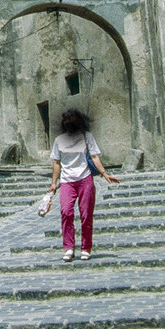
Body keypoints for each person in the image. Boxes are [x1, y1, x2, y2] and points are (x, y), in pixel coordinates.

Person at [49, 108, 121, 261]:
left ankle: (86, 248)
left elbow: (94, 157)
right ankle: (68, 248)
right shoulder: (59, 140)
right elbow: (56, 162)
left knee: (86, 215)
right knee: (66, 212)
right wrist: (53, 183)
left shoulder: (87, 137)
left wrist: (104, 173)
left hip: (85, 180)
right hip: (67, 181)